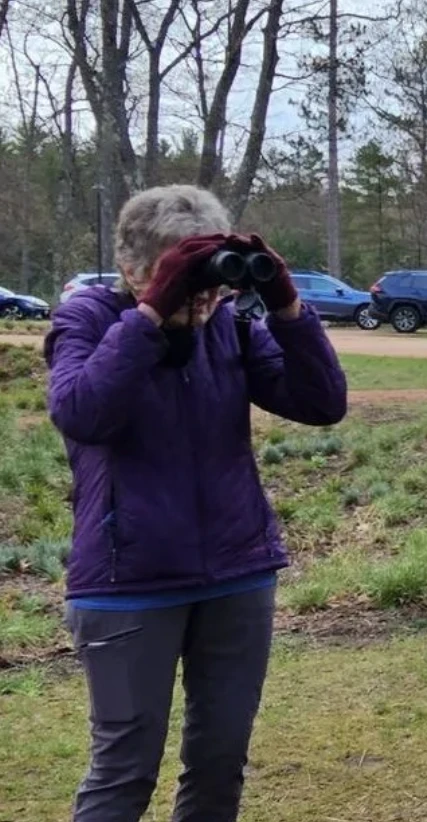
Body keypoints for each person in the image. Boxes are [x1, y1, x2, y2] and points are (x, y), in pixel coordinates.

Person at [44, 184, 348, 821]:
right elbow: (82, 413)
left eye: (206, 275)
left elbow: (321, 403)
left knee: (219, 761)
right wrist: (152, 314)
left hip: (237, 573)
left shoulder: (231, 326)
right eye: (178, 275)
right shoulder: (90, 318)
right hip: (127, 582)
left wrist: (288, 306)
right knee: (124, 770)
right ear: (131, 269)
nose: (202, 295)